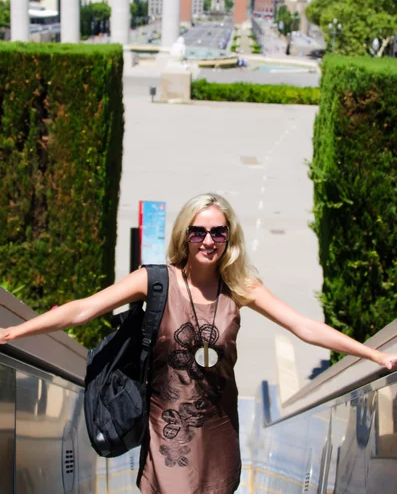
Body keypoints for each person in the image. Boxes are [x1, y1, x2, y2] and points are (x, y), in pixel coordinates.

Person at [1, 192, 397, 494]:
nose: (209, 240)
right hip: (165, 431)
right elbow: (83, 309)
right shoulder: (156, 280)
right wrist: (14, 332)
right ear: (185, 235)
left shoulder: (241, 288)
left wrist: (373, 354)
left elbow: (305, 327)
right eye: (199, 231)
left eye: (218, 231)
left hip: (219, 432)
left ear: (230, 237)